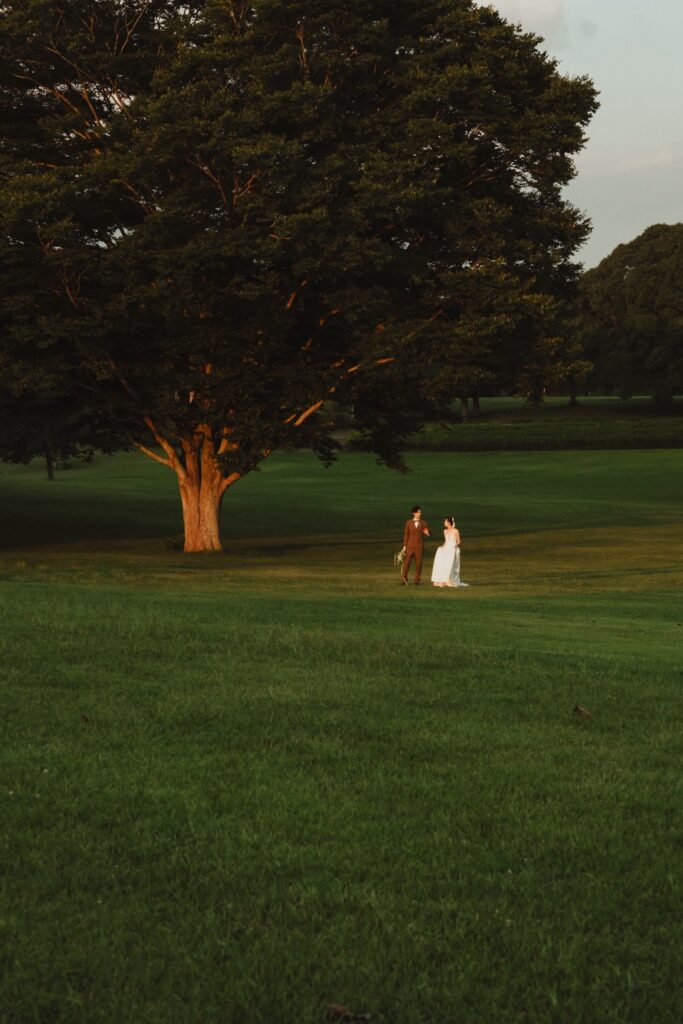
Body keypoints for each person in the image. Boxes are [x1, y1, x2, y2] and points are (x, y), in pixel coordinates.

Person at [431, 516, 468, 588]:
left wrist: (454, 546)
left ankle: (449, 579)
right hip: (446, 548)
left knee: (450, 563)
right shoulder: (445, 531)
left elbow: (459, 541)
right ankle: (442, 579)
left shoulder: (456, 531)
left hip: (452, 548)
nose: (444, 523)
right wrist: (442, 546)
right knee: (440, 554)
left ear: (449, 523)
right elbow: (446, 541)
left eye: (445, 521)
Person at [400, 505, 430, 585]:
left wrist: (427, 533)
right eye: (418, 512)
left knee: (418, 564)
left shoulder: (423, 522)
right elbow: (406, 534)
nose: (420, 514)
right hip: (409, 546)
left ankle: (417, 580)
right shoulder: (408, 522)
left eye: (420, 512)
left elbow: (428, 533)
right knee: (406, 564)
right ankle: (404, 579)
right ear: (414, 513)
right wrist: (404, 546)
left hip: (419, 547)